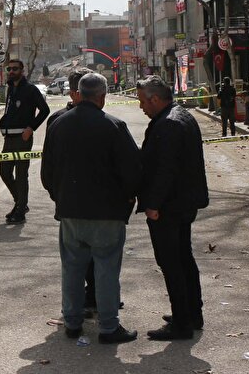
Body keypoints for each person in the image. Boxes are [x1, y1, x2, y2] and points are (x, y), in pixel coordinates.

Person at [41, 72, 142, 344]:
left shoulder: (58, 125)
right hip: (107, 213)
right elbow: (133, 171)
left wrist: (60, 198)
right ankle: (108, 327)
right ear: (102, 97)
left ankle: (72, 322)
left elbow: (47, 172)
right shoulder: (114, 126)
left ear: (79, 93)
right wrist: (129, 198)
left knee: (72, 268)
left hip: (71, 211)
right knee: (106, 268)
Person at [136, 76, 209, 340]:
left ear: (155, 99)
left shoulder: (168, 124)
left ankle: (181, 322)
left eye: (143, 101)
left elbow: (164, 170)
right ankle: (191, 312)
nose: (141, 107)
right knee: (183, 258)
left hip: (170, 205)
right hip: (184, 201)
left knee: (172, 263)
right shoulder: (181, 116)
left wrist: (153, 205)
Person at [49, 68, 100, 316]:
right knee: (74, 260)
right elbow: (50, 167)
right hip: (70, 203)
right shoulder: (58, 120)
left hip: (95, 205)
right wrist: (58, 195)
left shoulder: (104, 119)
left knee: (94, 258)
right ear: (73, 92)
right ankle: (75, 306)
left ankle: (95, 298)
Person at [0, 59, 50, 224]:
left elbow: (45, 110)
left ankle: (21, 209)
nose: (12, 71)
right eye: (9, 68)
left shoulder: (30, 89)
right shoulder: (10, 88)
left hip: (22, 138)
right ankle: (20, 202)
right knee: (5, 171)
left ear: (22, 70)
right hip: (9, 138)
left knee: (21, 175)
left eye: (15, 69)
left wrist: (31, 128)